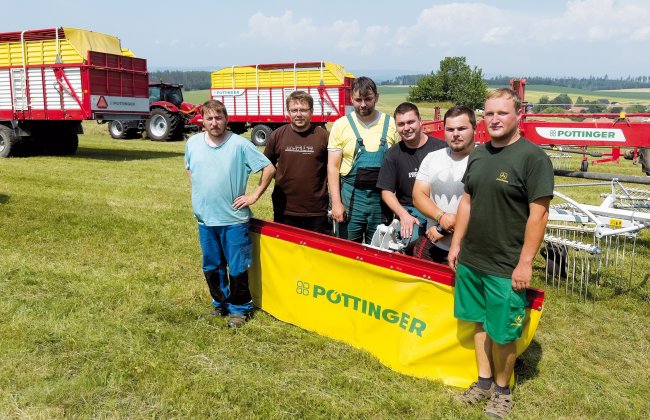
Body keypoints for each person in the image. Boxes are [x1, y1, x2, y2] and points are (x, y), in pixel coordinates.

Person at [447, 89, 554, 418]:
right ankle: (482, 382)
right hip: (472, 259)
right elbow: (468, 200)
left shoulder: (533, 159)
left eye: (502, 113)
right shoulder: (479, 154)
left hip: (505, 265)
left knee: (503, 331)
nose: (494, 119)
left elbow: (539, 215)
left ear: (517, 115)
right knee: (479, 324)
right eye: (489, 113)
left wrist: (524, 264)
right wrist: (457, 243)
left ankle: (502, 391)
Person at [185, 100, 276, 329]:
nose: (214, 123)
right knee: (212, 265)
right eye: (209, 118)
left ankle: (240, 309)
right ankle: (220, 304)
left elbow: (269, 168)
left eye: (218, 118)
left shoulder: (239, 145)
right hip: (206, 219)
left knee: (236, 267)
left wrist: (253, 195)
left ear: (226, 119)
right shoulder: (193, 143)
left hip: (234, 220)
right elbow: (190, 169)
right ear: (202, 121)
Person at [327, 77, 399, 243]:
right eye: (358, 100)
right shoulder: (341, 125)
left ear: (377, 97)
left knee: (380, 249)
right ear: (351, 99)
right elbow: (333, 168)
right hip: (351, 198)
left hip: (381, 200)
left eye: (368, 99)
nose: (363, 105)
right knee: (348, 248)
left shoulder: (391, 124)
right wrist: (336, 203)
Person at [376, 102, 446, 251]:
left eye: (410, 122)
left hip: (439, 208)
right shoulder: (393, 154)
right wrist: (403, 215)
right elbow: (386, 191)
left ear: (420, 121)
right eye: (401, 124)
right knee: (408, 241)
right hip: (411, 209)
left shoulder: (441, 149)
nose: (406, 128)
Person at [411, 105, 476, 263]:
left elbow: (481, 206)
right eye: (450, 129)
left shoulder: (483, 161)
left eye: (462, 128)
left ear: (475, 128)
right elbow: (418, 196)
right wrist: (441, 217)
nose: (455, 134)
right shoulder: (432, 158)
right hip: (433, 245)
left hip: (469, 250)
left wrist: (444, 229)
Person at [263, 91, 330, 234]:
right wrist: (282, 176)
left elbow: (332, 169)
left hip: (316, 209)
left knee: (315, 253)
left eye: (303, 110)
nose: (299, 114)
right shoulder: (277, 135)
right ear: (288, 112)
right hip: (285, 207)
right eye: (294, 110)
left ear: (311, 112)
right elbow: (267, 165)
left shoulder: (323, 136)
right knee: (286, 252)